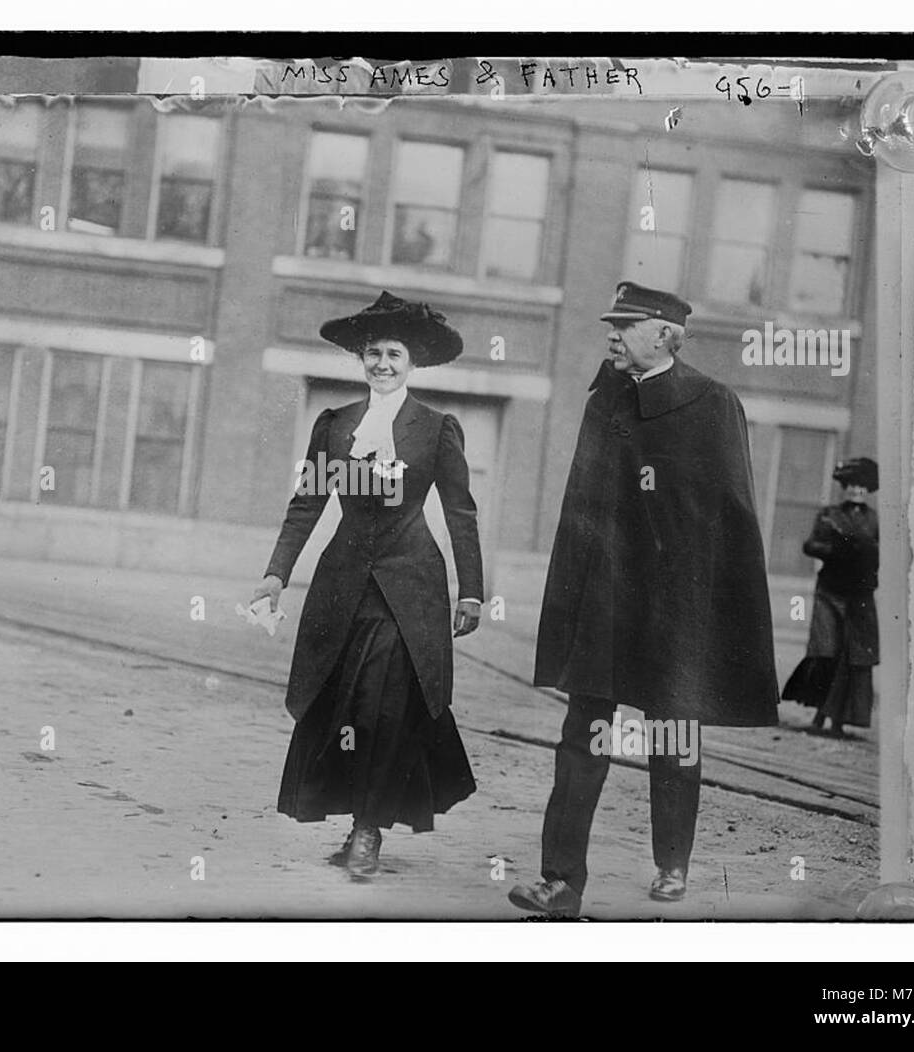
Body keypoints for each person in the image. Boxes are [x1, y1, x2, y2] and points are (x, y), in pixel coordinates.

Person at [509, 281, 779, 916]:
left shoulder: (714, 404)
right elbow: (581, 509)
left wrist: (705, 615)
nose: (611, 333)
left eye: (624, 325)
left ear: (664, 334)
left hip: (676, 609)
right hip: (605, 602)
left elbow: (731, 516)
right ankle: (561, 881)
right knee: (584, 735)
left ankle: (672, 866)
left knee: (674, 736)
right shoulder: (604, 400)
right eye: (611, 323)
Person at [253, 291, 485, 878]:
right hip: (342, 585)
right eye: (374, 353)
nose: (383, 363)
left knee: (384, 707)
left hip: (410, 590)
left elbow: (461, 513)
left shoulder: (436, 430)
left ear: (413, 362)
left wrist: (472, 590)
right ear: (362, 359)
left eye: (395, 354)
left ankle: (368, 831)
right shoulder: (334, 428)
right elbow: (306, 505)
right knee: (344, 704)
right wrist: (275, 575)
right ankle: (353, 815)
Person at [781, 458, 879, 737]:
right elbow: (810, 544)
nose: (856, 490)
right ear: (843, 488)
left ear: (869, 489)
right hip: (829, 591)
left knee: (851, 656)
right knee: (826, 651)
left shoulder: (873, 520)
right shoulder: (828, 514)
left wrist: (868, 558)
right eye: (851, 485)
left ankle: (836, 719)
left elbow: (882, 552)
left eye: (862, 486)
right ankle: (817, 713)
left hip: (859, 595)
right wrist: (833, 550)